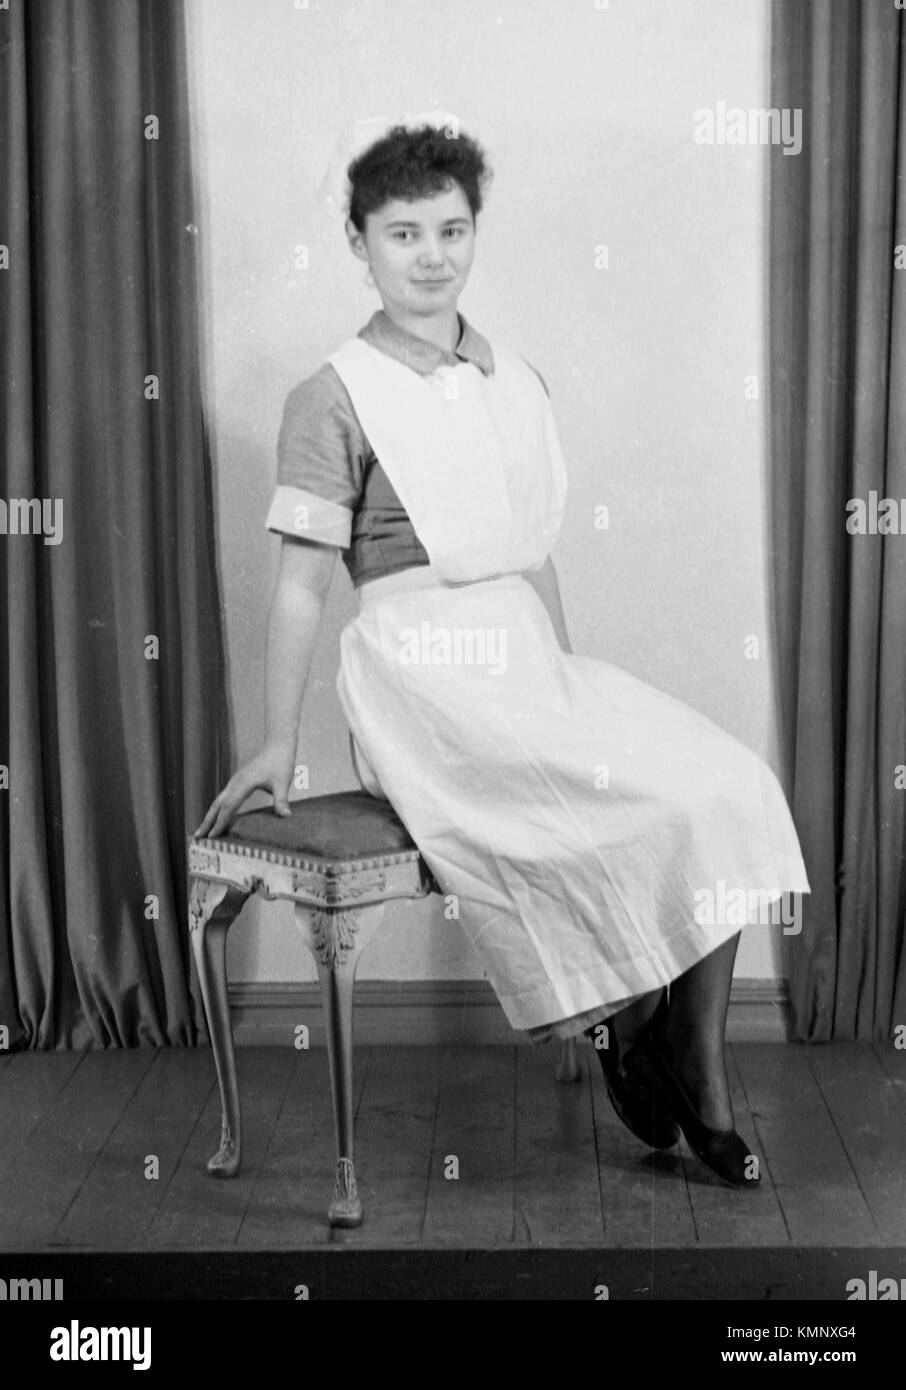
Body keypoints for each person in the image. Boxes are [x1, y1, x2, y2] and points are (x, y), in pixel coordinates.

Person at [195, 111, 811, 1188]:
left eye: (450, 230)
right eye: (402, 234)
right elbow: (299, 589)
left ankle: (691, 1064)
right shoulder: (332, 396)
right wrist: (273, 746)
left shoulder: (511, 376)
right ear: (359, 244)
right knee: (610, 807)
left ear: (477, 232)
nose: (430, 256)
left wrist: (568, 684)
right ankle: (631, 1021)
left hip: (525, 662)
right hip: (419, 678)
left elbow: (535, 554)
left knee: (727, 786)